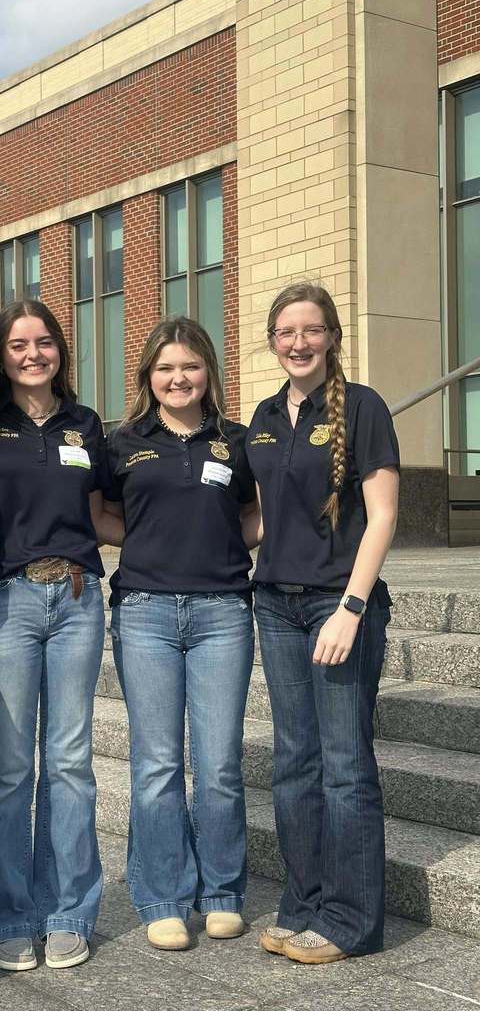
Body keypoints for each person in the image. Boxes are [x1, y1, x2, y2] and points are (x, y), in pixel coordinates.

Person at [246, 281, 399, 965]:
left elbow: (385, 515)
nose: (298, 342)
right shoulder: (266, 413)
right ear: (274, 340)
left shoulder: (363, 407)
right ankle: (302, 902)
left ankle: (350, 920)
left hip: (339, 606)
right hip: (275, 604)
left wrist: (352, 607)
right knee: (293, 765)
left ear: (333, 336)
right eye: (286, 332)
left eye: (311, 330)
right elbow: (259, 518)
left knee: (343, 767)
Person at [0, 299, 121, 973]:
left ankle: (66, 913)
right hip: (5, 602)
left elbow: (101, 515)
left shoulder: (85, 425)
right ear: (1, 355)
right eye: (19, 345)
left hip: (79, 600)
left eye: (45, 343)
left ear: (61, 349)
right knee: (9, 767)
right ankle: (6, 917)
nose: (33, 355)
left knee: (69, 762)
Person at [103, 316, 257, 951]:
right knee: (158, 762)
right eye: (165, 368)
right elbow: (98, 517)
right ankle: (163, 897)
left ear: (208, 374)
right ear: (148, 377)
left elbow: (257, 513)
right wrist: (151, 546)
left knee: (219, 762)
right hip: (145, 612)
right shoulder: (122, 443)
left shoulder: (238, 441)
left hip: (223, 611)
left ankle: (221, 893)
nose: (178, 378)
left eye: (190, 366)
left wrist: (221, 546)